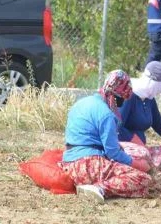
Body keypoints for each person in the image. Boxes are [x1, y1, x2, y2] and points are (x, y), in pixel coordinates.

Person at [61, 70, 152, 203]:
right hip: (87, 165)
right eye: (122, 99)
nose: (121, 104)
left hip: (69, 163)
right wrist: (138, 164)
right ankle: (99, 188)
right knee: (142, 178)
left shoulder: (81, 103)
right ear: (116, 96)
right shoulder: (106, 114)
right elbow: (113, 153)